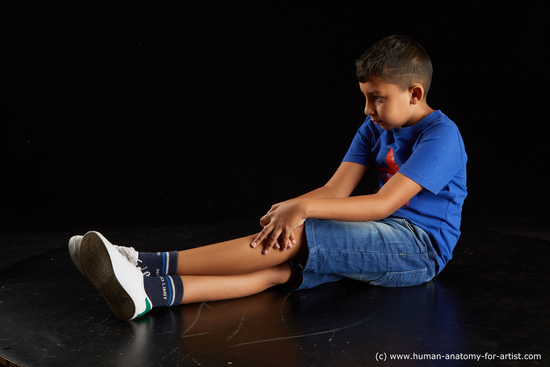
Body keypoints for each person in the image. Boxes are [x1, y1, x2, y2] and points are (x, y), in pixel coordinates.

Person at [69, 35, 467, 321]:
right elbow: (335, 190)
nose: (367, 109)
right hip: (383, 232)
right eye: (364, 96)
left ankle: (145, 262)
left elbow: (385, 204)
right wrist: (289, 210)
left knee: (303, 233)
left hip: (419, 249)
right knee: (279, 266)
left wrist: (302, 211)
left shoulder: (441, 135)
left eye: (376, 97)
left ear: (414, 94)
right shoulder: (374, 128)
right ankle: (150, 293)